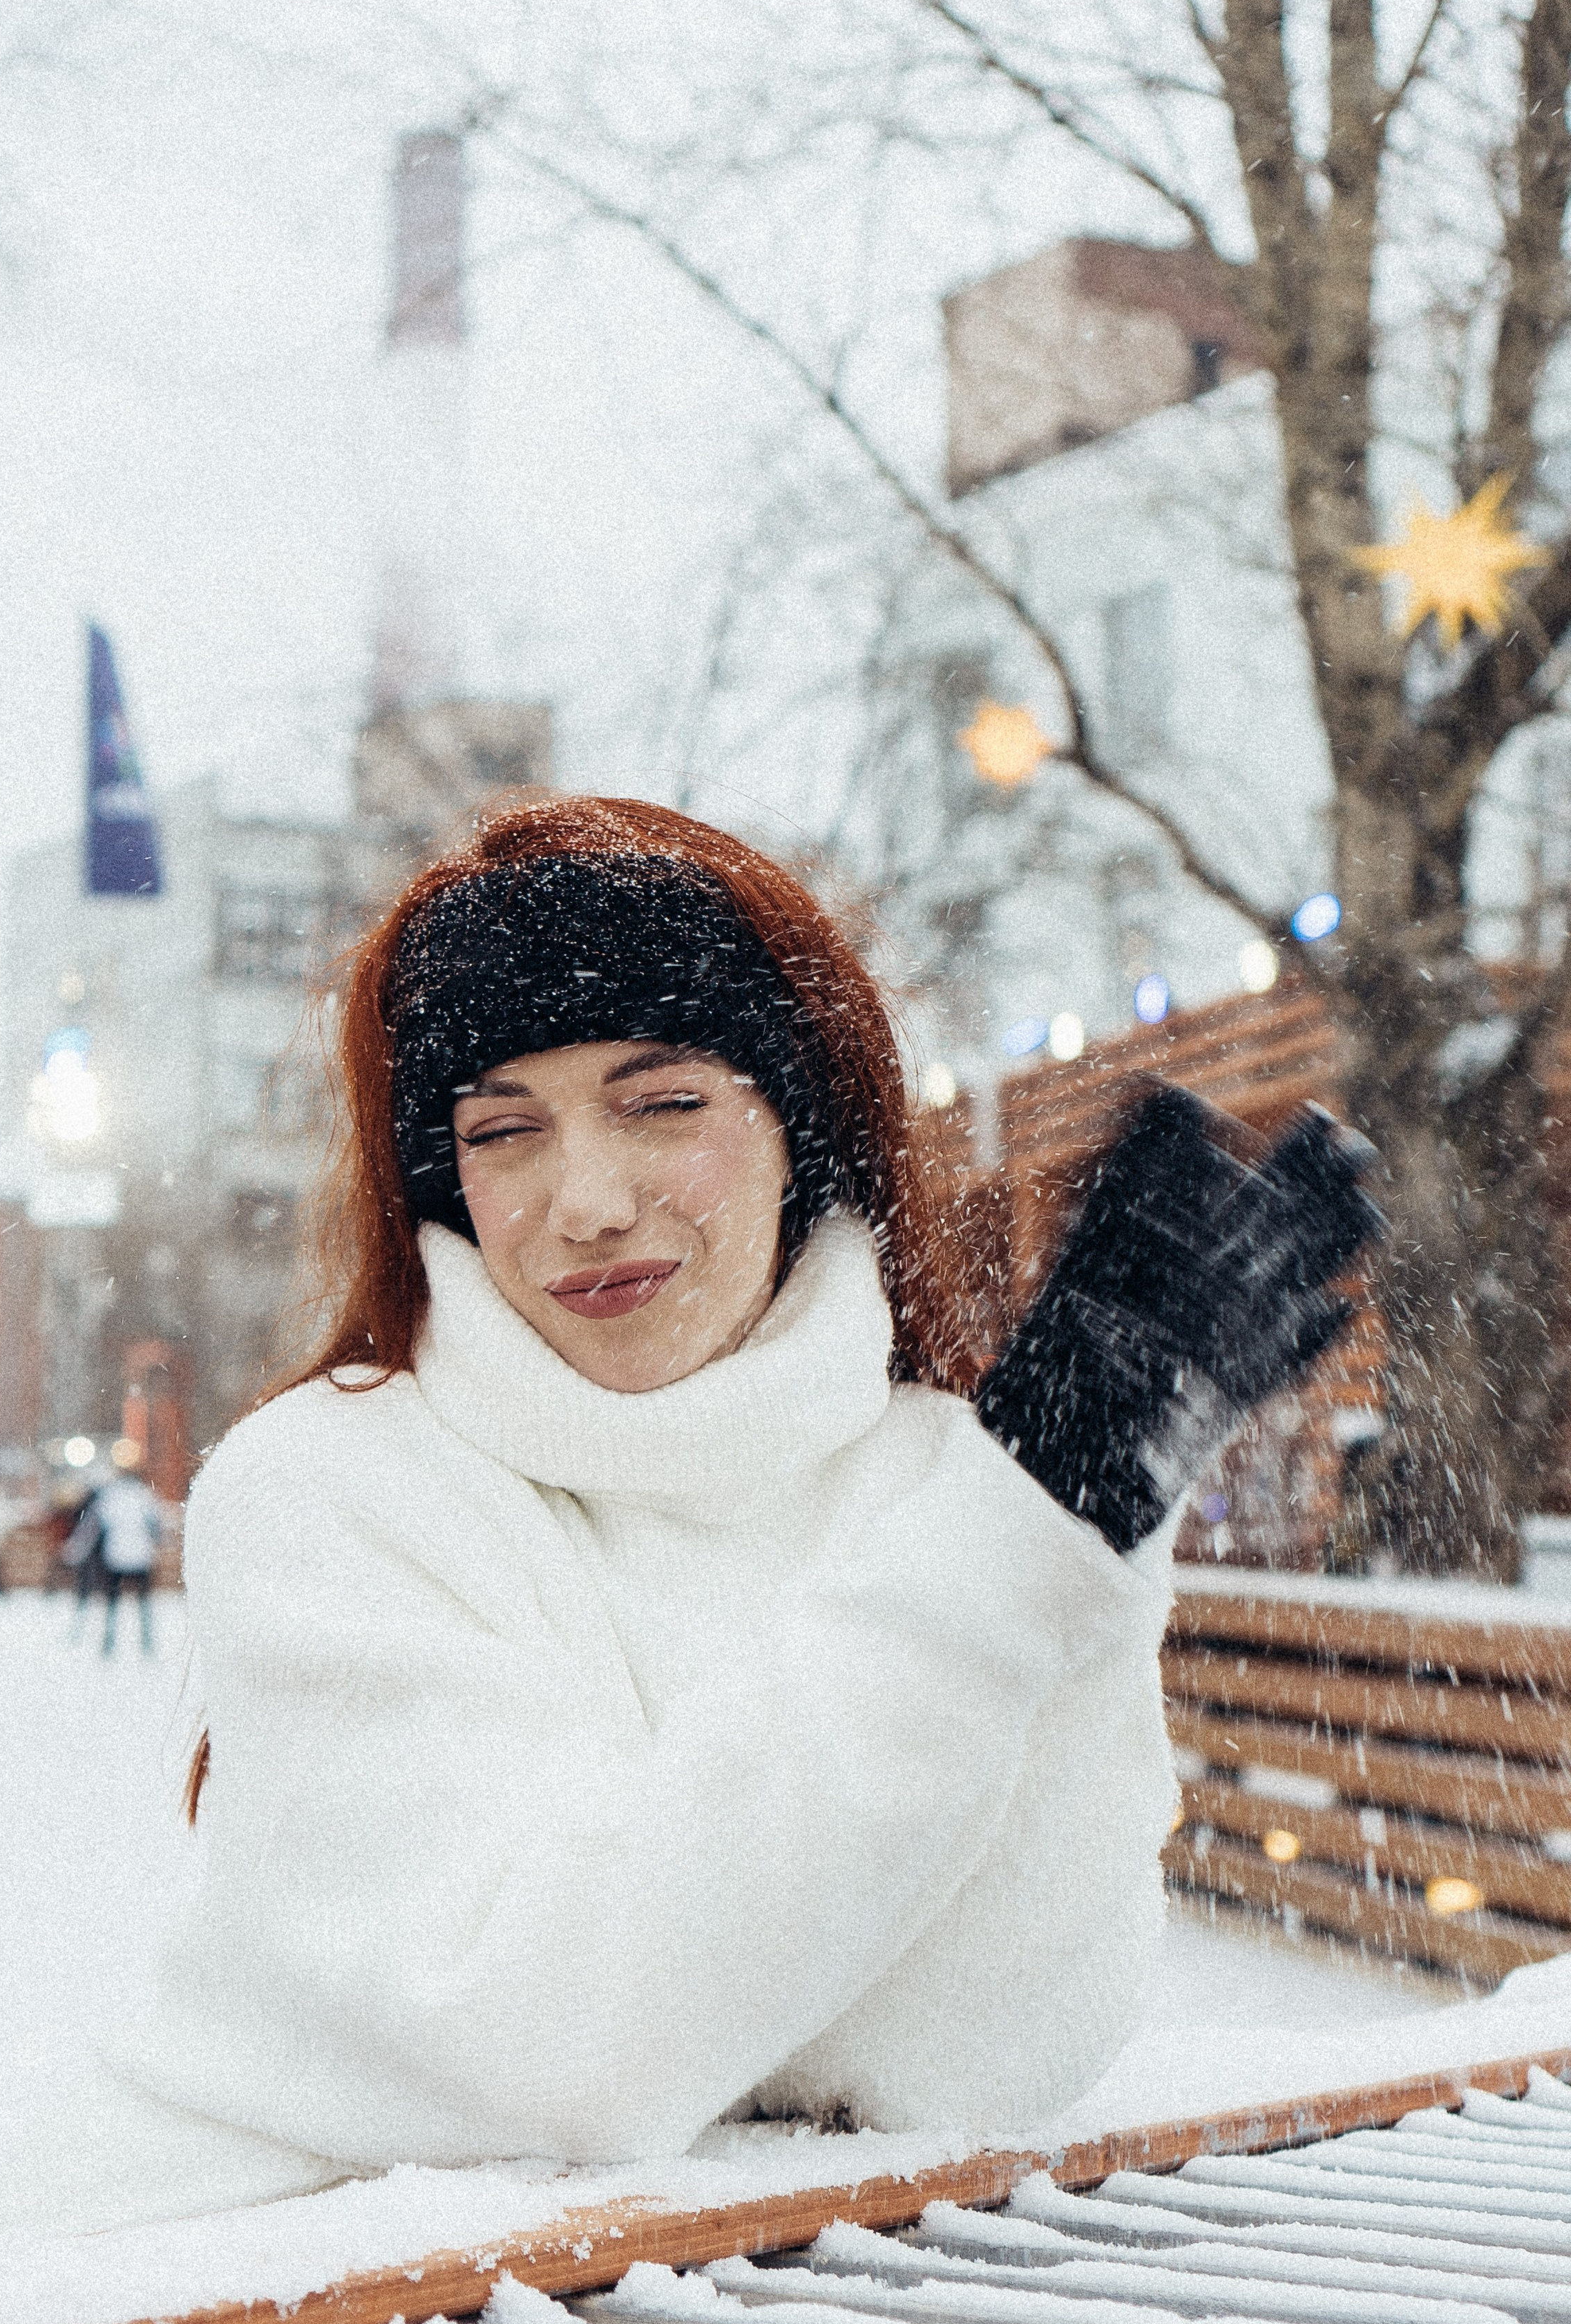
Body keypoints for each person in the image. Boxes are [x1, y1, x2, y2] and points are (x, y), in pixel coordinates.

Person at [95, 794, 1379, 2203]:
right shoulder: (331, 1490)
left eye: (663, 1104)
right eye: (504, 1131)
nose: (585, 1201)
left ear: (798, 1129)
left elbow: (986, 2055)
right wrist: (1005, 1557)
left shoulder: (971, 1482)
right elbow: (550, 2043)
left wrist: (1052, 1527)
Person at [86, 1458, 163, 1656]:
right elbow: (155, 1526)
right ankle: (147, 1643)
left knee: (113, 1601)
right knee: (143, 1602)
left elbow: (97, 1527)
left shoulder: (110, 1496)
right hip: (141, 1554)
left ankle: (108, 1643)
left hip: (116, 1555)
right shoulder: (144, 1495)